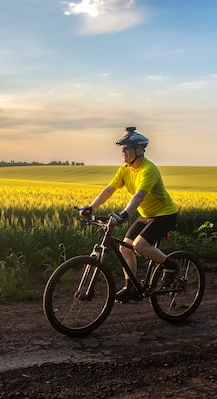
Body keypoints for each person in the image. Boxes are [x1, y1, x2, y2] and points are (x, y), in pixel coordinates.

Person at [79, 127, 179, 303]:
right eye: (121, 149)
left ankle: (170, 266)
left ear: (139, 150)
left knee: (140, 246)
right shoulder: (125, 170)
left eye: (127, 148)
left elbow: (139, 196)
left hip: (165, 215)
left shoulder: (149, 170)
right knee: (125, 247)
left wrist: (123, 214)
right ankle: (130, 287)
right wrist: (91, 207)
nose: (123, 152)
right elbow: (110, 189)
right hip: (146, 215)